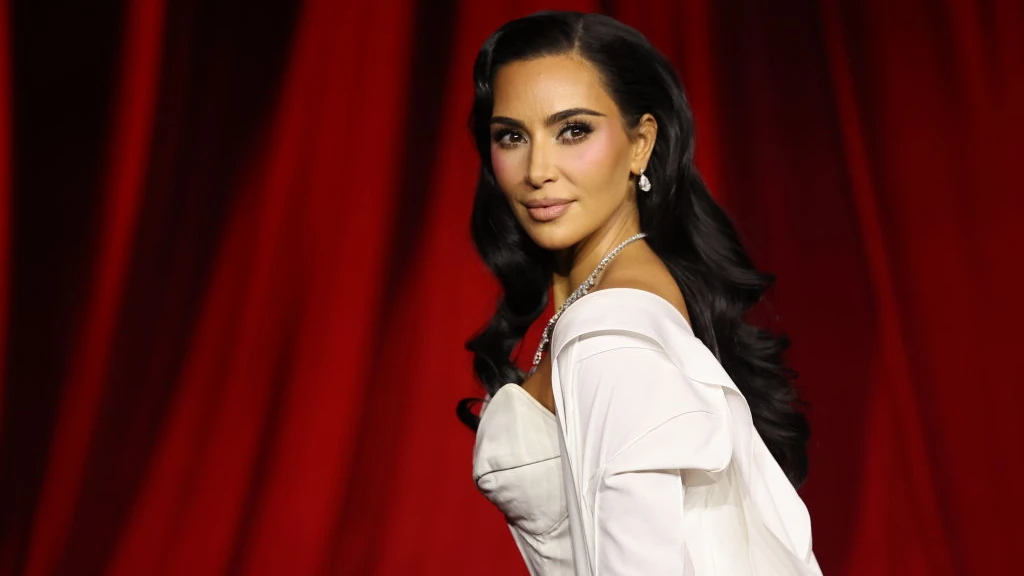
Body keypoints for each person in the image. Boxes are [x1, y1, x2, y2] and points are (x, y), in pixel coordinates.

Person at [458, 11, 823, 575]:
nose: (537, 169)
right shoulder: (628, 296)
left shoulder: (610, 332)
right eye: (512, 136)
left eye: (573, 130)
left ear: (641, 144)